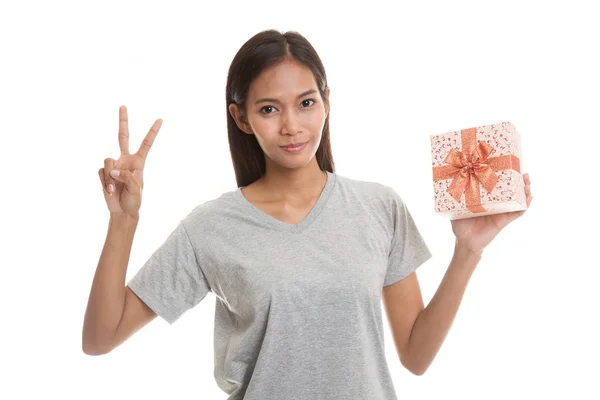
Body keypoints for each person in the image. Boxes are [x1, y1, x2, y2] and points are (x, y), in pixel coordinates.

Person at [82, 29, 533, 399]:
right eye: (268, 109)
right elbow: (100, 339)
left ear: (326, 100)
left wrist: (468, 250)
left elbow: (415, 356)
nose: (291, 126)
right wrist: (123, 221)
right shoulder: (211, 228)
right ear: (242, 119)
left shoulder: (379, 207)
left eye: (305, 102)